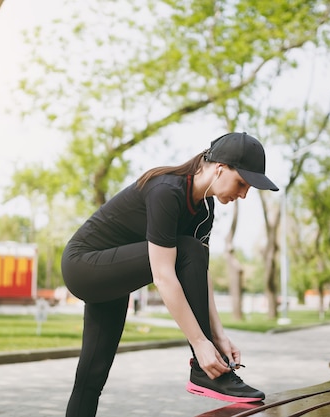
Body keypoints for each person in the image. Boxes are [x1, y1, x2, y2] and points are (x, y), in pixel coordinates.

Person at [61, 132, 279, 416]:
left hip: (114, 279)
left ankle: (205, 367)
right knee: (187, 249)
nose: (243, 194)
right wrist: (201, 344)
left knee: (91, 378)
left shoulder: (205, 210)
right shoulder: (167, 190)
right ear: (220, 168)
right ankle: (202, 370)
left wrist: (219, 336)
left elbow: (200, 273)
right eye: (242, 183)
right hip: (83, 266)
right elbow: (164, 275)